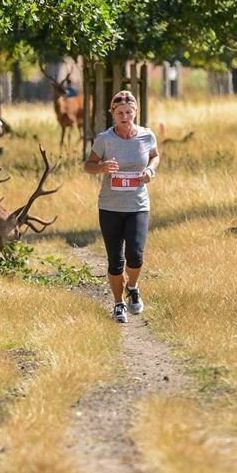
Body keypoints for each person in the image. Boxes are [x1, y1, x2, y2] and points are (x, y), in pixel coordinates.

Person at [83, 90, 160, 324]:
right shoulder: (105, 139)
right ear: (113, 114)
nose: (124, 116)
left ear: (135, 112)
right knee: (115, 261)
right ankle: (118, 304)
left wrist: (150, 170)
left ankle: (133, 287)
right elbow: (88, 165)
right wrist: (102, 167)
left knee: (135, 256)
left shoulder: (147, 136)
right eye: (120, 113)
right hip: (110, 207)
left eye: (128, 112)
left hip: (138, 205)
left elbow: (155, 156)